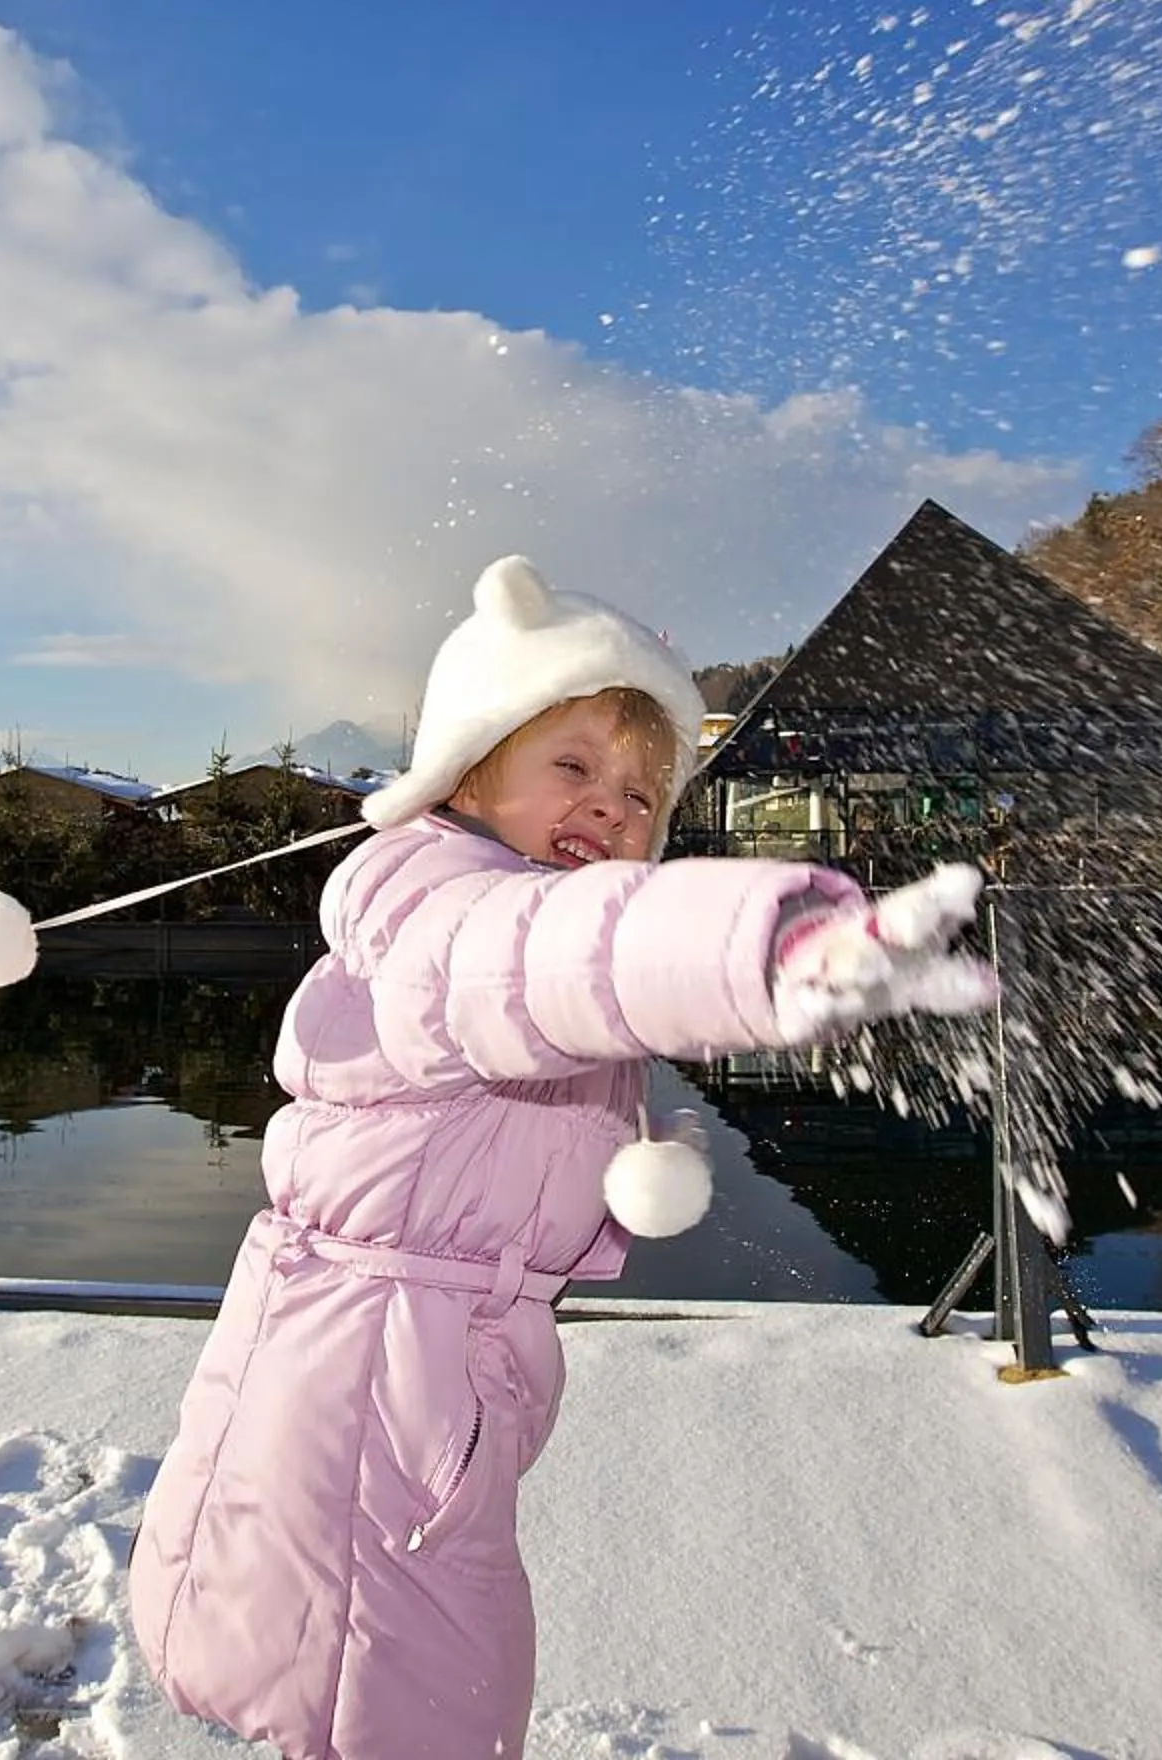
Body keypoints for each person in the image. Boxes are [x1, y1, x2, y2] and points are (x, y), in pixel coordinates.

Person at [126, 554, 998, 1760]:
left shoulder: (503, 918)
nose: (610, 805)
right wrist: (763, 945)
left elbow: (575, 1000)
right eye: (573, 766)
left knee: (360, 1641)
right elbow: (560, 957)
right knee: (406, 1682)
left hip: (415, 1338)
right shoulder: (454, 921)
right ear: (470, 775)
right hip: (385, 1355)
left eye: (643, 793)